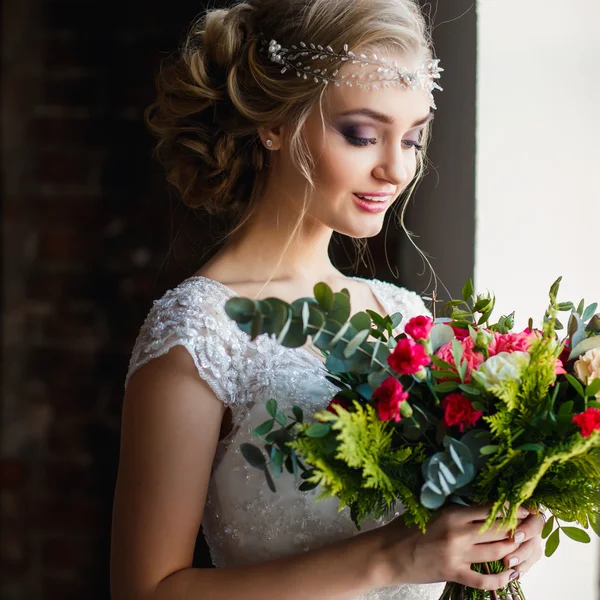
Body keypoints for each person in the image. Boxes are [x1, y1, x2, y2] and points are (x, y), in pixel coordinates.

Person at [110, 1, 545, 599]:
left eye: (413, 138)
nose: (395, 169)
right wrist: (390, 559)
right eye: (362, 135)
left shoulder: (406, 319)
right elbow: (146, 591)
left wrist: (494, 535)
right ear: (276, 123)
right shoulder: (200, 329)